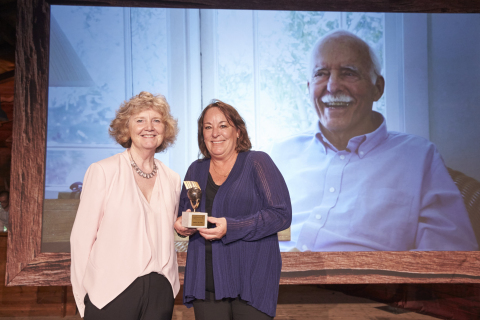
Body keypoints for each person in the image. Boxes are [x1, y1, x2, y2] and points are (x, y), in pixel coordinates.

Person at [269, 30, 478, 252]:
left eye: (349, 73)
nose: (332, 87)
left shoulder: (419, 157)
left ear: (378, 88)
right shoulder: (278, 155)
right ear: (309, 88)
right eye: (321, 73)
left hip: (358, 285)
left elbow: (448, 259)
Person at [174, 100, 292, 320]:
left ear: (238, 131)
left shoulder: (257, 161)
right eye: (208, 127)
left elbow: (281, 214)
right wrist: (182, 225)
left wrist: (232, 227)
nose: (215, 133)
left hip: (251, 279)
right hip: (207, 281)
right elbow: (185, 212)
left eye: (223, 125)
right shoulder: (195, 169)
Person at [70, 91, 181, 319]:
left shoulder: (172, 179)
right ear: (126, 128)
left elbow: (166, 229)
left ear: (165, 129)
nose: (148, 127)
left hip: (160, 291)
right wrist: (84, 299)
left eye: (156, 120)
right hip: (110, 292)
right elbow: (81, 240)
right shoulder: (103, 171)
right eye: (140, 120)